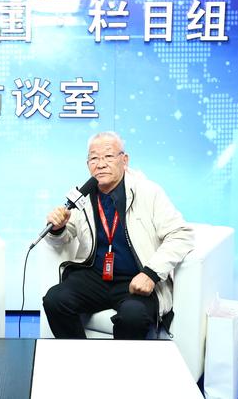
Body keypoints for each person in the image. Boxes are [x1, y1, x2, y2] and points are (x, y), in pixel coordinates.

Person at [42, 131, 194, 339]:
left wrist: (151, 273)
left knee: (133, 316)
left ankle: (119, 361)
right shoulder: (82, 195)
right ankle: (79, 355)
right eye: (94, 158)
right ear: (88, 164)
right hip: (95, 276)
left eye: (108, 156)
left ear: (125, 160)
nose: (101, 164)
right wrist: (58, 228)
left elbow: (181, 234)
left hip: (135, 278)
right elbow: (65, 237)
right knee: (55, 300)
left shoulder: (148, 192)